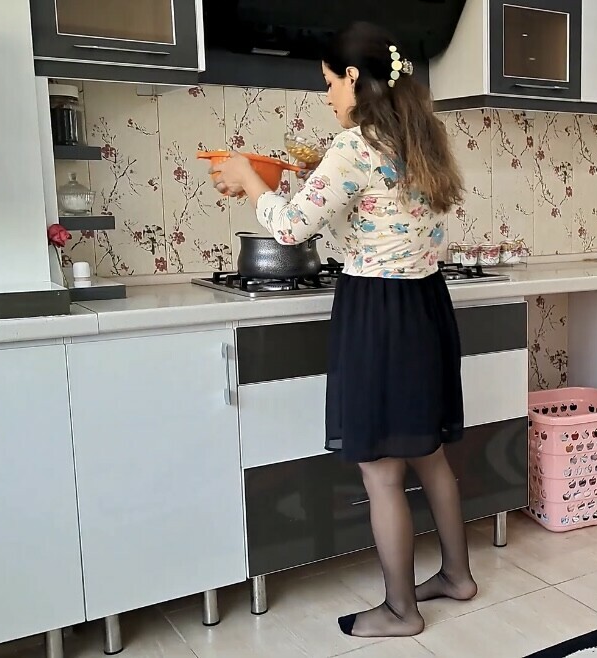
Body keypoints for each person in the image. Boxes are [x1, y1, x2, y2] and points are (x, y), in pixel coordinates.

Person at [209, 22, 475, 638]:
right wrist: (279, 183)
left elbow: (290, 230)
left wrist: (249, 178)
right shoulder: (420, 137)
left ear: (353, 77)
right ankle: (457, 577)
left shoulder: (354, 145)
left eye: (329, 82)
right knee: (430, 456)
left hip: (379, 312)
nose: (327, 95)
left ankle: (401, 611)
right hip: (426, 305)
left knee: (381, 470)